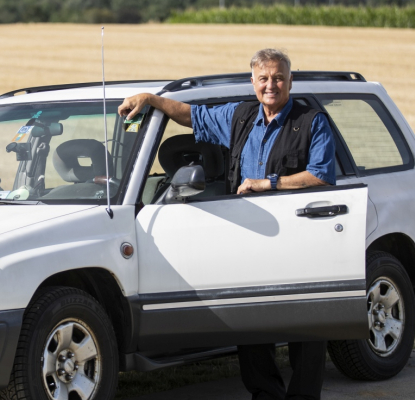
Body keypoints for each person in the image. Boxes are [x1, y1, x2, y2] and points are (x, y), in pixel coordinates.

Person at [118, 48, 336, 400]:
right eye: (263, 78)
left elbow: (323, 177)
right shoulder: (240, 117)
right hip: (249, 235)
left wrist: (270, 183)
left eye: (278, 77)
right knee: (251, 321)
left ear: (290, 81)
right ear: (253, 82)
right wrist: (151, 100)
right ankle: (265, 394)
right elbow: (192, 116)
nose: (271, 85)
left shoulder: (312, 121)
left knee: (305, 324)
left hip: (300, 236)